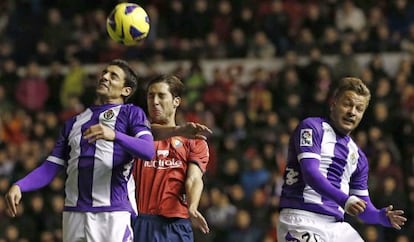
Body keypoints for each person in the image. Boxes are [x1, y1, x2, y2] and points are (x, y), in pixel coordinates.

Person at [5, 59, 155, 242]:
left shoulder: (131, 113)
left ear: (126, 90)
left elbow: (148, 151)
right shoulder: (74, 122)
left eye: (113, 76)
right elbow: (51, 166)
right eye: (104, 73)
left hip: (112, 213)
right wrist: (20, 185)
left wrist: (115, 135)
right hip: (73, 214)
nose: (105, 77)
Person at [277, 77, 407, 241]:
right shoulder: (312, 128)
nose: (352, 112)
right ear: (333, 104)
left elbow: (362, 207)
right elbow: (310, 173)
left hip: (336, 227)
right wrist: (344, 200)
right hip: (301, 219)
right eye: (347, 104)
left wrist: (380, 216)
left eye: (359, 109)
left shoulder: (359, 157)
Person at [132, 74, 210, 242]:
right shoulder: (137, 133)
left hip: (174, 225)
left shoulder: (195, 141)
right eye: (150, 95)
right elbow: (150, 131)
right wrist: (177, 130)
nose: (155, 101)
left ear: (176, 101)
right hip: (137, 221)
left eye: (161, 95)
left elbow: (194, 178)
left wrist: (193, 207)